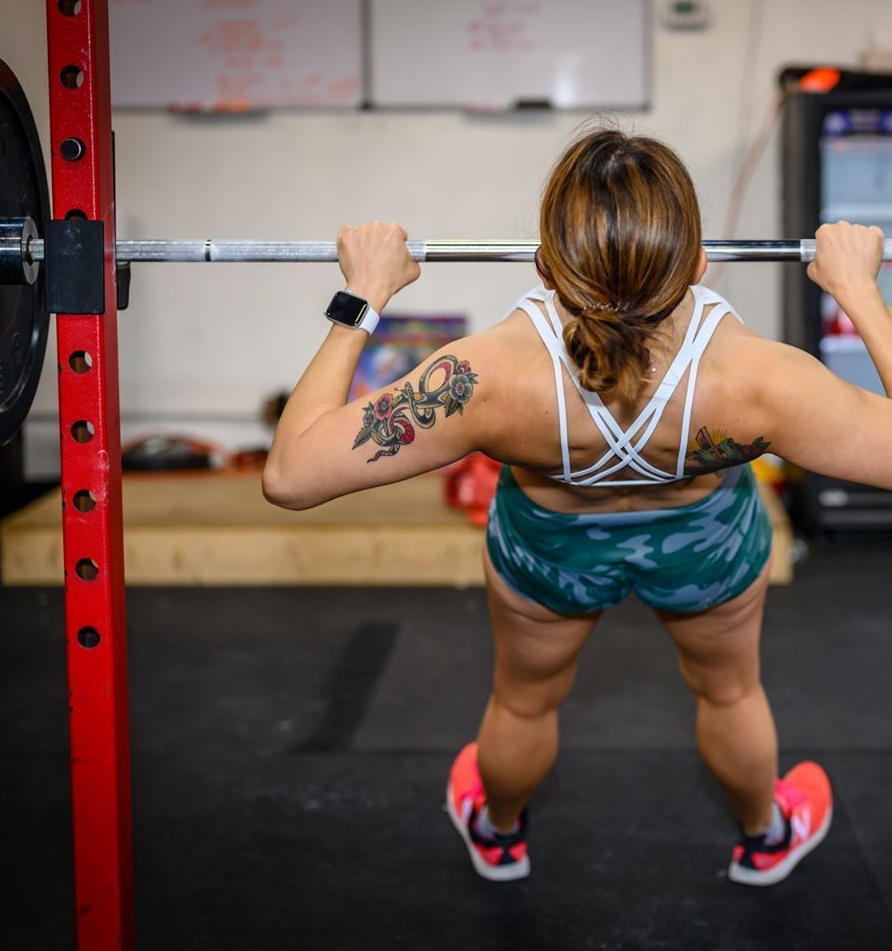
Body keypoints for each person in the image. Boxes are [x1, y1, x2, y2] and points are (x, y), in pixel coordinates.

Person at [263, 128, 892, 886]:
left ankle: (497, 834)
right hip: (703, 541)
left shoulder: (486, 376)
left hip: (551, 544)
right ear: (697, 261)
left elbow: (292, 473)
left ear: (542, 263)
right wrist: (859, 291)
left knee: (523, 703)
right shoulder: (763, 381)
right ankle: (765, 836)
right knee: (730, 691)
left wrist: (362, 295)